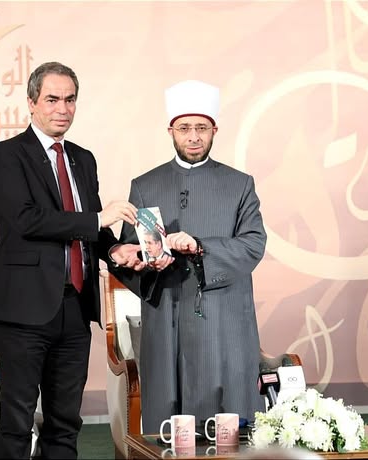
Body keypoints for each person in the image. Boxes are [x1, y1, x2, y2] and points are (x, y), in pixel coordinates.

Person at [0, 61, 144, 459]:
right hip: (22, 311)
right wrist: (97, 220)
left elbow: (90, 227)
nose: (63, 109)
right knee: (17, 423)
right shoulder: (7, 155)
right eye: (52, 99)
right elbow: (26, 220)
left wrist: (114, 250)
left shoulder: (82, 159)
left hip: (74, 308)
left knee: (65, 425)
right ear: (31, 103)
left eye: (70, 100)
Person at [115, 79, 267, 434]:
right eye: (184, 128)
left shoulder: (240, 184)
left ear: (214, 130)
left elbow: (253, 244)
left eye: (202, 128)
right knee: (168, 427)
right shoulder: (145, 185)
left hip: (225, 318)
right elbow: (129, 253)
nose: (194, 137)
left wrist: (200, 247)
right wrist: (142, 260)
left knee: (231, 427)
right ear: (171, 131)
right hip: (167, 315)